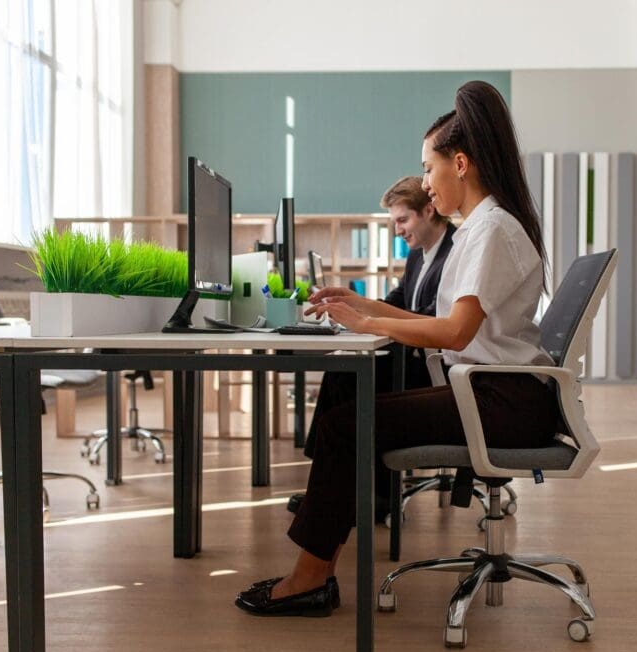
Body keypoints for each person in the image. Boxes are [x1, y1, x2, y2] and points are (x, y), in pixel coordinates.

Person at [236, 80, 563, 617]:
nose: (426, 185)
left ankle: (310, 580)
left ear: (460, 163)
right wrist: (366, 307)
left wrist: (365, 318)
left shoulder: (491, 230)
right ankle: (313, 572)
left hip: (501, 401)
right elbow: (440, 321)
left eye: (429, 169)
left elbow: (454, 333)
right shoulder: (482, 226)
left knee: (345, 425)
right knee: (347, 417)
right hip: (490, 393)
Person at [290, 176, 456, 520]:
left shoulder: (455, 252)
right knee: (346, 370)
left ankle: (364, 492)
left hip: (437, 369)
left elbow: (432, 320)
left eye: (403, 220)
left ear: (428, 211)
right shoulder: (419, 256)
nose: (398, 231)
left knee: (348, 376)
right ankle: (335, 485)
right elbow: (396, 302)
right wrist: (353, 304)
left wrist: (364, 318)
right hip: (415, 359)